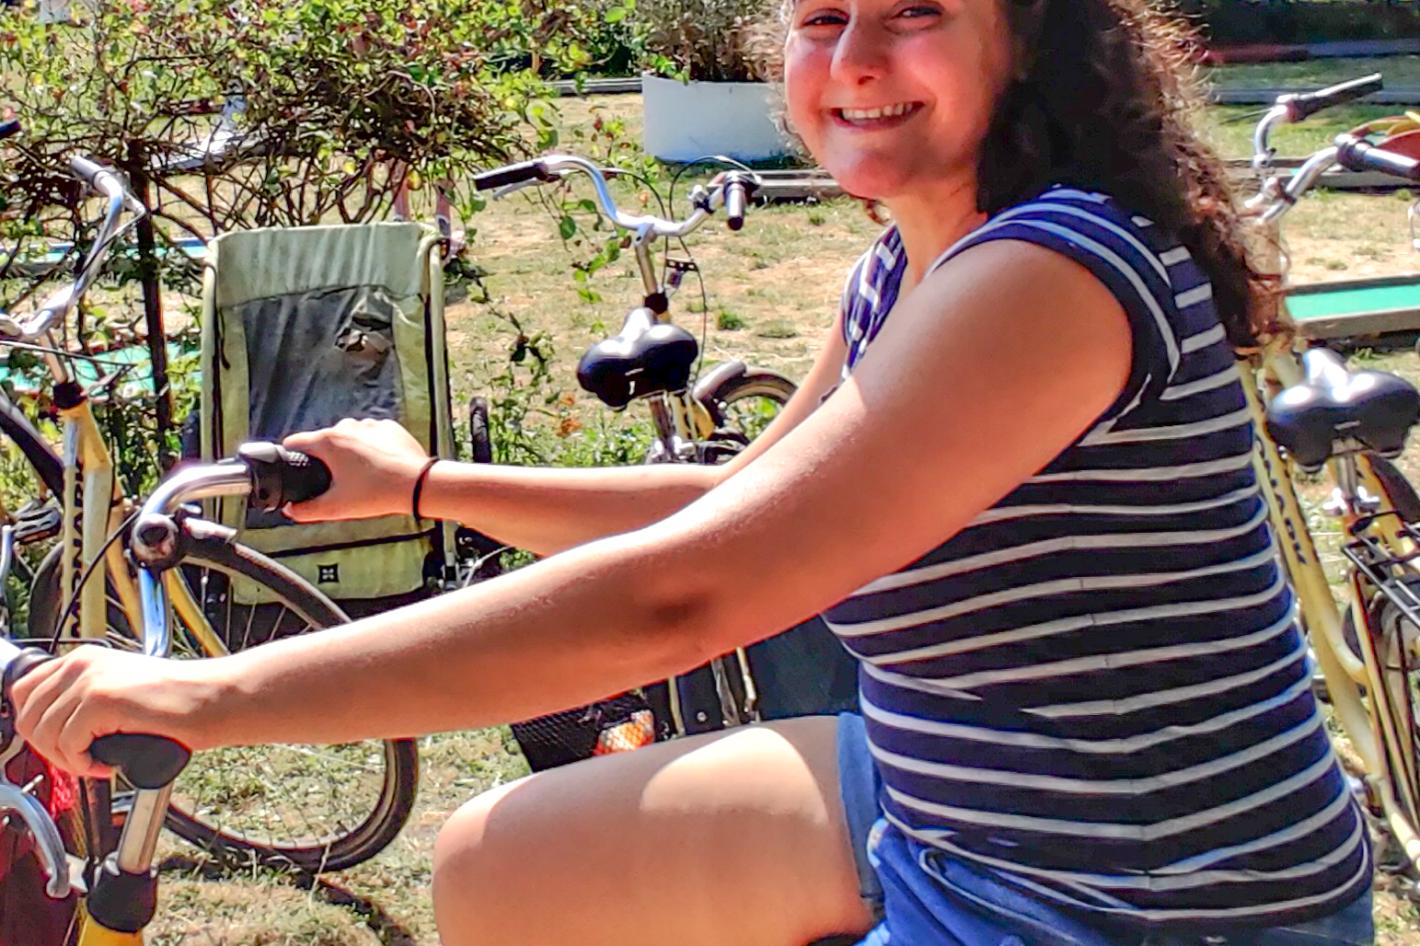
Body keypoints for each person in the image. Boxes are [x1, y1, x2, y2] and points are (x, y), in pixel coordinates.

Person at [13, 1, 1376, 944]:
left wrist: (215, 694)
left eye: (915, 14)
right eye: (823, 20)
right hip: (947, 798)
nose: (855, 58)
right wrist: (426, 483)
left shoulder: (1047, 271)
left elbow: (688, 593)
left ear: (1029, 43)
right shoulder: (910, 261)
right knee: (500, 865)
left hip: (1137, 894)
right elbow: (734, 505)